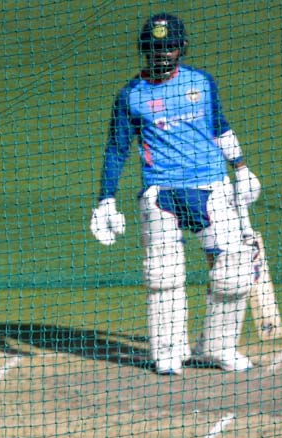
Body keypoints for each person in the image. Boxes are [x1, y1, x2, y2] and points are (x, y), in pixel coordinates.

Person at [89, 12, 263, 375]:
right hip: (161, 193)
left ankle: (218, 347)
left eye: (169, 47)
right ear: (144, 50)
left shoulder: (202, 83)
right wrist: (106, 199)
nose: (162, 54)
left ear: (181, 48)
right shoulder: (130, 96)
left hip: (211, 187)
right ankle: (168, 351)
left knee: (232, 271)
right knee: (163, 274)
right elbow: (116, 149)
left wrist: (243, 169)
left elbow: (220, 127)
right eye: (155, 48)